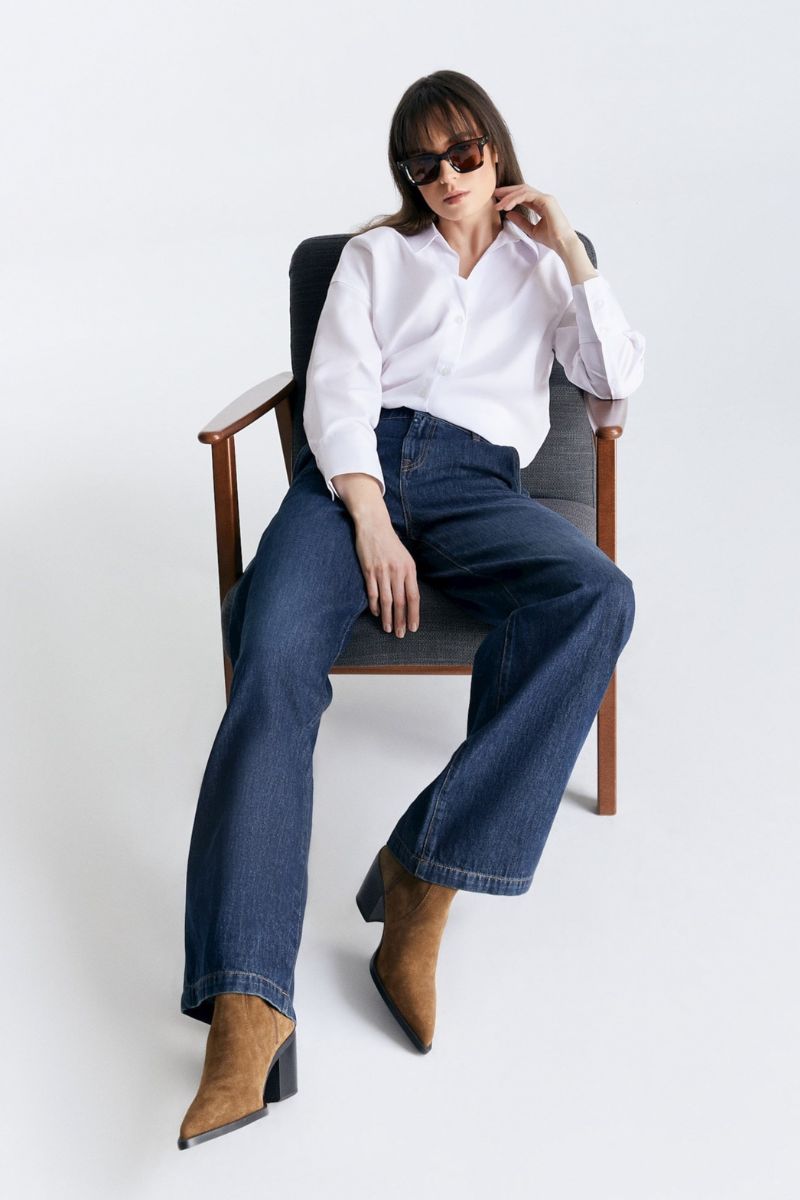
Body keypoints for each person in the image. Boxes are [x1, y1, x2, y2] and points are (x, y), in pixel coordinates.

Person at [177, 69, 645, 1150]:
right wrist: (368, 512)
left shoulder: (544, 269)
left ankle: (422, 875)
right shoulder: (373, 259)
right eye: (420, 163)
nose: (444, 176)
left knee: (597, 597)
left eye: (463, 153)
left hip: (480, 482)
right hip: (353, 474)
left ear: (496, 150)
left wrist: (571, 250)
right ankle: (247, 1006)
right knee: (271, 658)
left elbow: (614, 384)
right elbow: (336, 388)